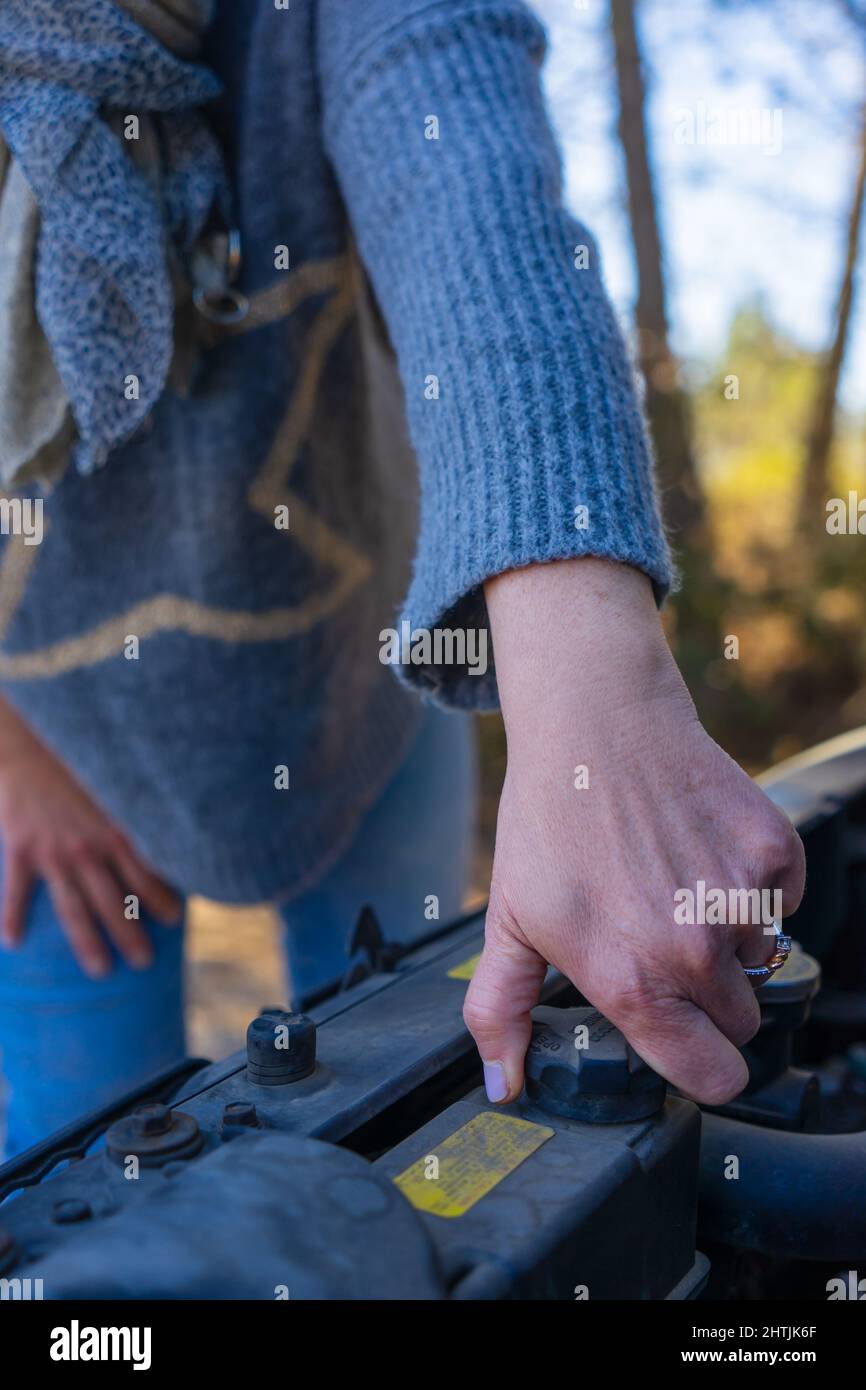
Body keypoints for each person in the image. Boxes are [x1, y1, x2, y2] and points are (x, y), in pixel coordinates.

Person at [0, 0, 804, 1159]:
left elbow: (467, 198)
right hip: (50, 729)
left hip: (370, 679)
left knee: (430, 1116)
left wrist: (595, 698)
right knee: (89, 1170)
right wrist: (13, 755)